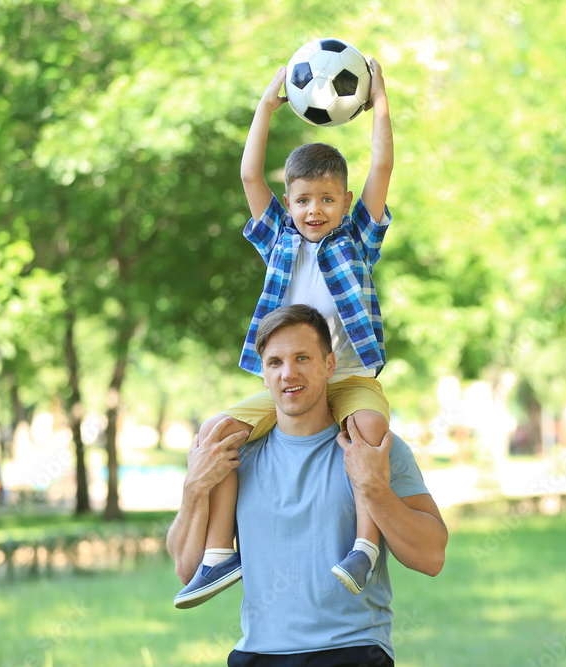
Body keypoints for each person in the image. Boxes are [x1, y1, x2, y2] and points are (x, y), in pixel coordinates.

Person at [174, 56, 396, 608]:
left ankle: (364, 549)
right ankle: (220, 556)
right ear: (288, 203)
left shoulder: (357, 239)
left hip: (345, 376)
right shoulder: (278, 239)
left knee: (368, 423)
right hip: (293, 381)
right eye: (302, 200)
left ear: (344, 202)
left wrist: (382, 103)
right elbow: (250, 174)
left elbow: (382, 166)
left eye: (326, 199)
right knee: (218, 431)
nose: (313, 210)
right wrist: (267, 103)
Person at [167, 305, 448, 666]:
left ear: (329, 365)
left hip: (350, 651)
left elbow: (431, 558)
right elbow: (187, 570)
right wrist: (193, 489)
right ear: (263, 374)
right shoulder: (236, 458)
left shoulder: (374, 450)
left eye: (302, 358)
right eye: (275, 363)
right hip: (256, 655)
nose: (289, 374)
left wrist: (373, 487)